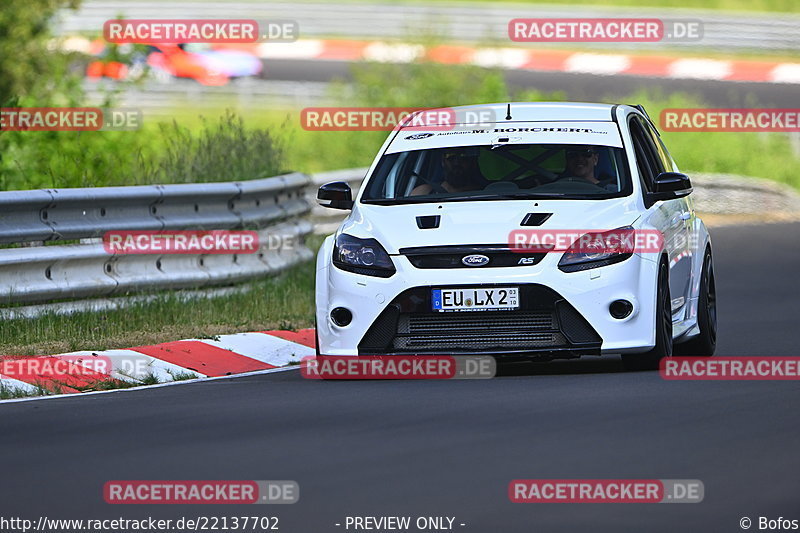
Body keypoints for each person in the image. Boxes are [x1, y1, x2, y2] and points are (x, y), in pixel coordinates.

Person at [411, 147, 486, 195]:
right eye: (451, 157)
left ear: (471, 162)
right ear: (443, 162)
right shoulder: (423, 192)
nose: (457, 163)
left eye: (463, 157)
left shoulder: (486, 193)